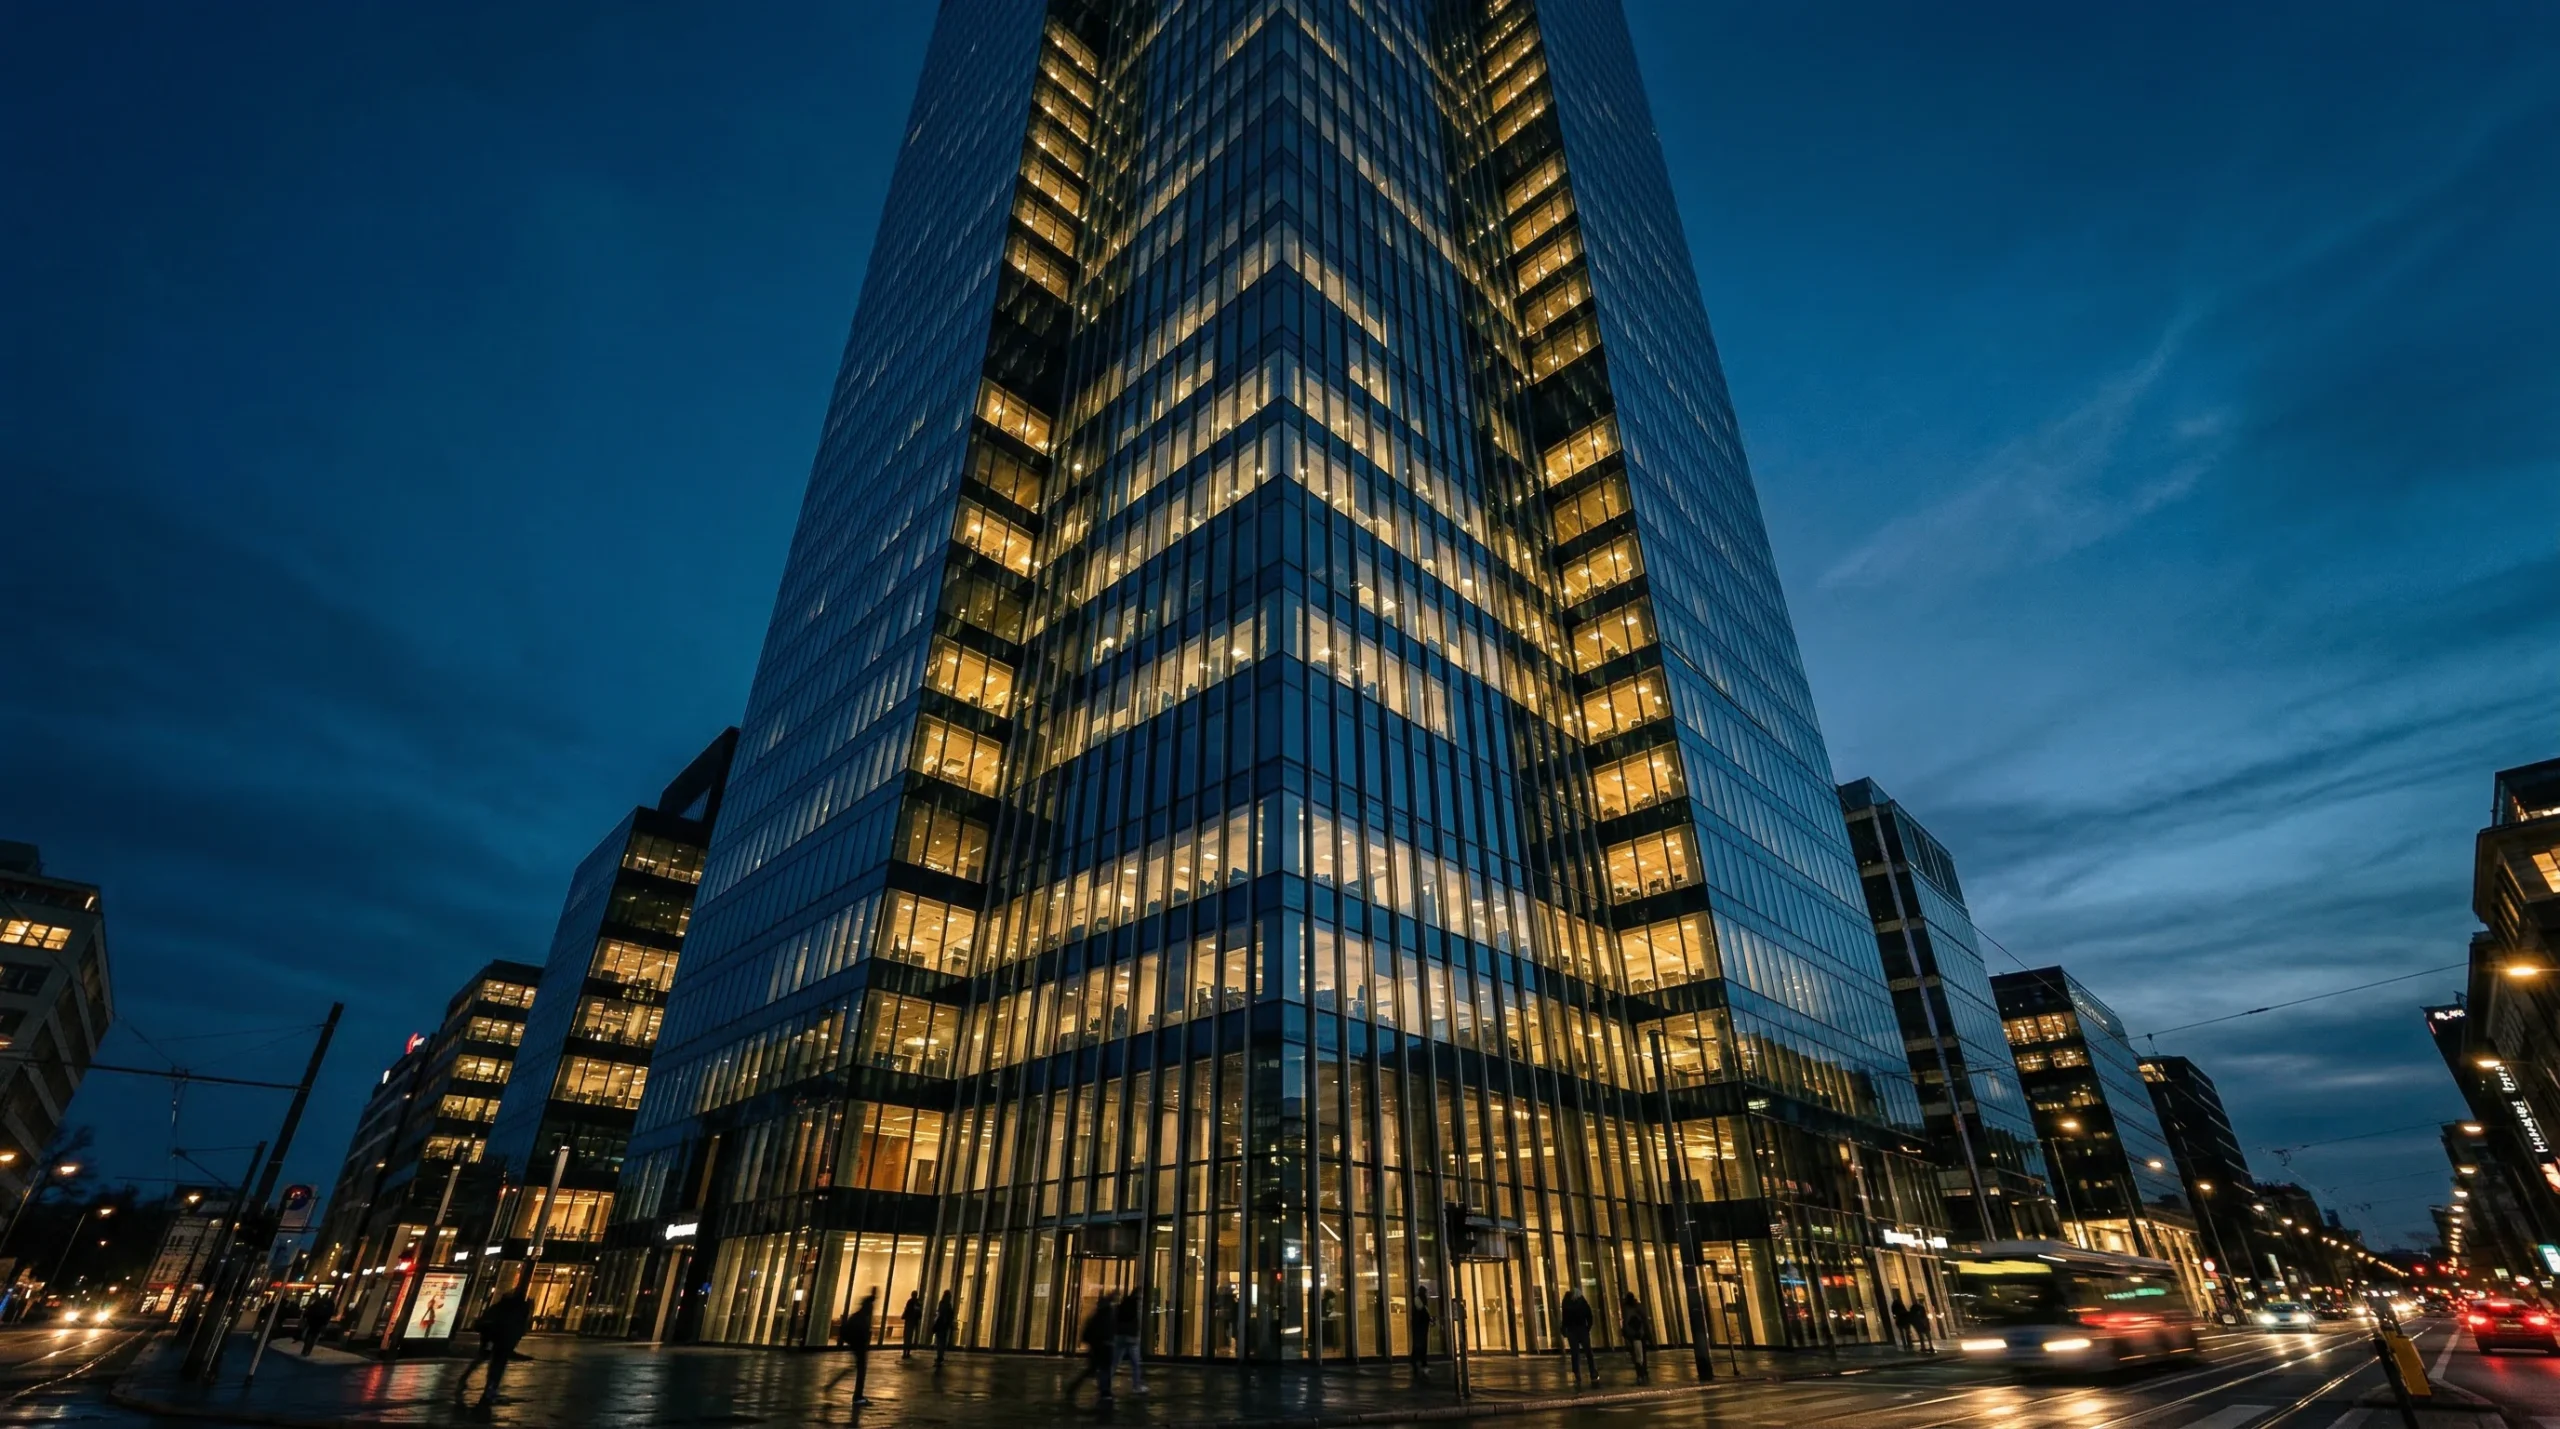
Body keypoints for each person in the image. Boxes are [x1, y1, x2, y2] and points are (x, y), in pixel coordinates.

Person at [453, 1287, 532, 1411]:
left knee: (482, 1359)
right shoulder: (519, 1310)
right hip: (503, 1341)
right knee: (497, 1366)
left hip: (490, 1339)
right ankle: (490, 1388)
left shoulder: (499, 1307)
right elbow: (518, 1328)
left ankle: (465, 1380)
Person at [827, 1289, 877, 1409]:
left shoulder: (859, 1316)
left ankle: (833, 1385)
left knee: (855, 1369)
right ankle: (857, 1396)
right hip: (859, 1347)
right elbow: (860, 1333)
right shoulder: (861, 1318)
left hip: (857, 1346)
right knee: (860, 1371)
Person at [1067, 1293, 1116, 1405]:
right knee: (1102, 1370)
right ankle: (1104, 1392)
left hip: (1098, 1347)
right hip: (1103, 1347)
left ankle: (1075, 1388)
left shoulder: (1099, 1315)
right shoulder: (1105, 1315)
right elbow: (1105, 1331)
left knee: (1094, 1370)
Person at [1111, 1286, 1147, 1395]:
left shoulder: (1124, 1303)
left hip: (1120, 1336)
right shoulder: (1136, 1304)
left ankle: (1105, 1384)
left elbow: (1117, 1318)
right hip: (1131, 1337)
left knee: (1115, 1362)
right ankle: (1136, 1386)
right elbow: (1135, 1320)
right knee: (1136, 1364)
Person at [1559, 1286, 1598, 1384]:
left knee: (1575, 1353)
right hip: (1582, 1329)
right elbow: (1589, 1316)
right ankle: (1593, 1372)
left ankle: (1577, 1373)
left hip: (1572, 1330)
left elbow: (1565, 1318)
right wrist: (1587, 1327)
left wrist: (1564, 1329)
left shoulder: (1567, 1303)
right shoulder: (1582, 1303)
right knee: (1588, 1352)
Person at [1619, 1291, 1652, 1382]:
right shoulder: (1638, 1307)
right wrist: (1649, 1335)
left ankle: (1640, 1373)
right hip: (1640, 1334)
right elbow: (1645, 1320)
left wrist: (1625, 1333)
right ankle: (1643, 1371)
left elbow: (1625, 1322)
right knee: (1642, 1354)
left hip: (1632, 1335)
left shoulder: (1626, 1309)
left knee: (1635, 1355)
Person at [1407, 1288, 1434, 1373]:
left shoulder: (1418, 1299)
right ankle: (1419, 1362)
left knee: (1419, 1344)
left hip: (1419, 1326)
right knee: (1420, 1344)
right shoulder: (1419, 1300)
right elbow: (1423, 1310)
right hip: (1420, 1326)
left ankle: (1417, 1361)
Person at [929, 1289, 957, 1367]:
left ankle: (939, 1355)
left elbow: (940, 1313)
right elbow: (950, 1315)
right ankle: (940, 1355)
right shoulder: (948, 1305)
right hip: (944, 1325)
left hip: (941, 1324)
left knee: (940, 1341)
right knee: (942, 1341)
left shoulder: (942, 1303)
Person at [899, 1290, 923, 1361]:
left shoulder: (910, 1302)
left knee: (906, 1337)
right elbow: (919, 1313)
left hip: (909, 1321)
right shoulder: (917, 1303)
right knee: (910, 1337)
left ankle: (905, 1352)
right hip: (913, 1322)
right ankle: (908, 1352)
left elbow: (907, 1311)